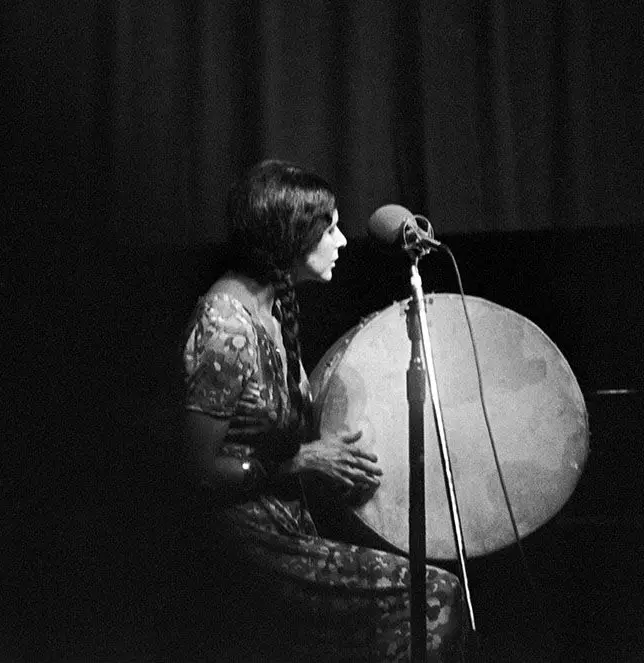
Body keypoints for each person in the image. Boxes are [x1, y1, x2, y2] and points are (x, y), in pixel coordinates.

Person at [179, 159, 464, 661]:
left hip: (288, 523)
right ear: (291, 235)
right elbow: (195, 468)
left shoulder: (271, 306)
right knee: (433, 595)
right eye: (329, 229)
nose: (343, 241)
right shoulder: (225, 328)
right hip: (245, 543)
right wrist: (302, 460)